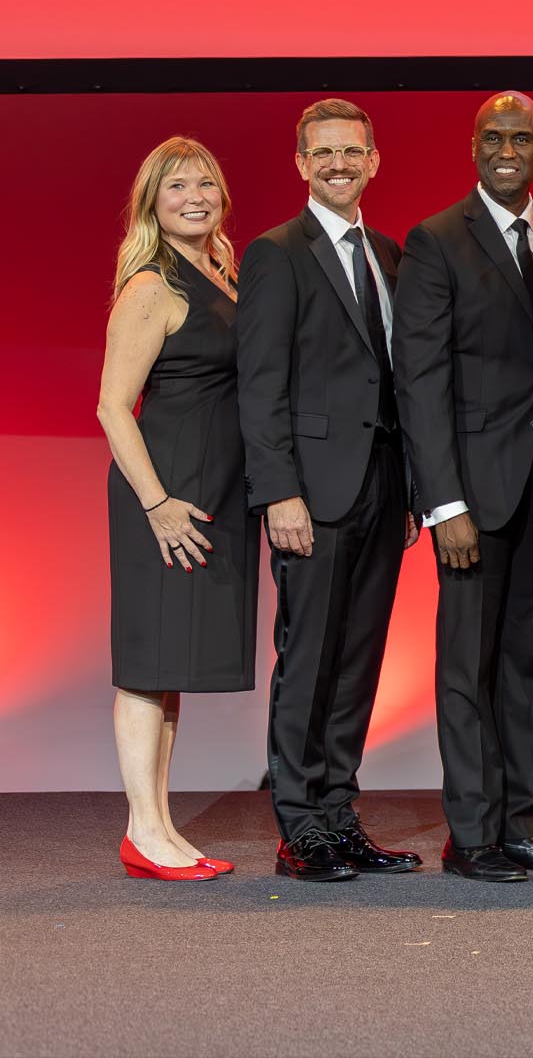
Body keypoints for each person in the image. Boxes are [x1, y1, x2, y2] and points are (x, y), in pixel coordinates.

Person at [393, 92, 533, 883]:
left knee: (524, 666)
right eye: (494, 137)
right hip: (472, 497)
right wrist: (444, 503)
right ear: (473, 146)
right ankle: (470, 835)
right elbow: (421, 381)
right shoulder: (435, 241)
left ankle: (514, 821)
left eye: (523, 138)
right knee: (465, 667)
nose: (508, 149)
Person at [237, 99, 422, 882]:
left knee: (358, 659)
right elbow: (261, 383)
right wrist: (278, 491)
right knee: (308, 659)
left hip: (383, 487)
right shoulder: (277, 253)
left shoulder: (388, 251)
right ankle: (298, 827)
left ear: (374, 160)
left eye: (352, 151)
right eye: (323, 154)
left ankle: (339, 814)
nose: (338, 164)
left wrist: (414, 488)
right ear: (301, 164)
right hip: (310, 492)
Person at [98, 137, 254, 881]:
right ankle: (144, 832)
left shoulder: (219, 272)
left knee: (168, 669)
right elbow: (111, 407)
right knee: (144, 664)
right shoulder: (151, 286)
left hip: (207, 495)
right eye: (176, 187)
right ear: (151, 204)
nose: (195, 196)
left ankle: (154, 827)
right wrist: (157, 503)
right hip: (162, 496)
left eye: (206, 183)